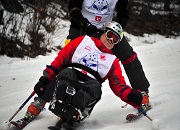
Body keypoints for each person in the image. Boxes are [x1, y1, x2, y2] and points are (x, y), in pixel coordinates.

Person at [20, 21, 148, 130]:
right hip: (72, 74)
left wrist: (131, 96)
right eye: (109, 35)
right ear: (103, 31)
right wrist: (44, 79)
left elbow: (118, 85)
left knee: (94, 88)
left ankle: (73, 116)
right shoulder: (83, 41)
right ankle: (53, 105)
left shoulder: (113, 60)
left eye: (115, 40)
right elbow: (60, 60)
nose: (110, 41)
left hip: (90, 83)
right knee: (66, 74)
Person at [66, 0, 150, 104]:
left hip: (106, 30)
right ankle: (44, 97)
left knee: (128, 55)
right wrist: (85, 24)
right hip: (81, 26)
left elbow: (123, 16)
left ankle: (142, 93)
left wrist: (115, 29)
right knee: (67, 57)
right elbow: (73, 8)